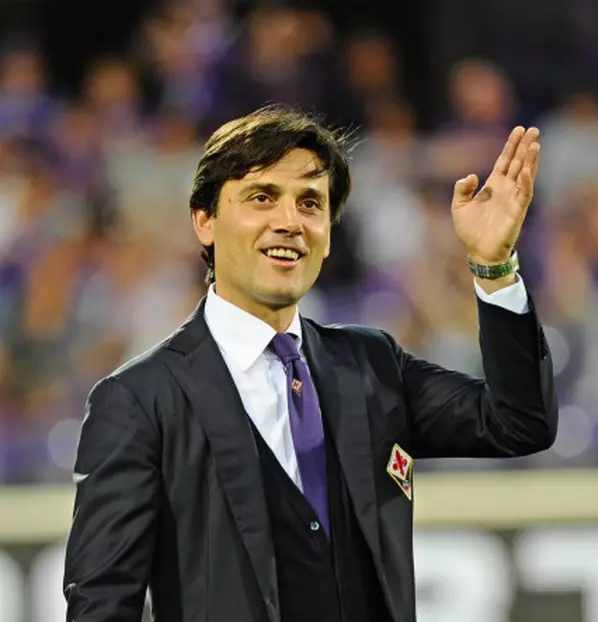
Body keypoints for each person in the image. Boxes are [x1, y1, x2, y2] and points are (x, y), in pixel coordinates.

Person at [63, 104, 558, 622]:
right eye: (262, 197)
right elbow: (101, 606)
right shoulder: (140, 400)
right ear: (204, 220)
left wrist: (494, 266)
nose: (289, 222)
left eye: (309, 203)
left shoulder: (372, 365)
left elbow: (518, 422)